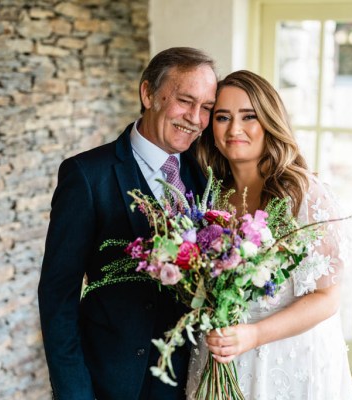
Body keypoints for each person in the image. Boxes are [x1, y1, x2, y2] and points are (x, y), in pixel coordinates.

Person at [38, 47, 218, 400]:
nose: (196, 118)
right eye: (185, 100)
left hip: (190, 382)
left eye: (207, 108)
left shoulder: (204, 175)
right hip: (112, 383)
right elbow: (57, 297)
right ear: (148, 93)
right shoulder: (87, 175)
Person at [187, 70, 352, 399]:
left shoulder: (304, 195)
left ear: (270, 121)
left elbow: (327, 299)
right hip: (221, 356)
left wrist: (253, 335)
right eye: (222, 117)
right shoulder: (209, 196)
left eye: (249, 117)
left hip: (290, 362)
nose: (234, 129)